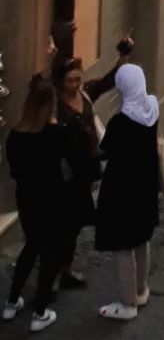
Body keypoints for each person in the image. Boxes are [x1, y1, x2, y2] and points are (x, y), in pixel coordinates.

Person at [95, 63, 164, 323]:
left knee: (123, 245)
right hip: (145, 186)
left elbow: (104, 150)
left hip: (122, 190)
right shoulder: (152, 109)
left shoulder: (120, 122)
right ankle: (141, 290)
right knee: (141, 239)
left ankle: (128, 303)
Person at [2, 76, 67, 332]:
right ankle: (40, 312)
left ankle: (11, 302)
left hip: (26, 197)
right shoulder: (54, 134)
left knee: (31, 246)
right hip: (50, 197)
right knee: (49, 253)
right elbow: (65, 161)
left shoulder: (15, 135)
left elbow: (15, 170)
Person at [53, 58, 104, 290]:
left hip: (83, 172)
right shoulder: (55, 104)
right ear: (61, 81)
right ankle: (54, 274)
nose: (74, 84)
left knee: (74, 225)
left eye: (77, 79)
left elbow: (105, 83)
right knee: (62, 225)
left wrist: (123, 58)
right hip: (64, 175)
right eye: (70, 80)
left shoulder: (84, 95)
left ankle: (65, 269)